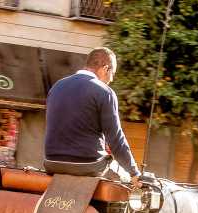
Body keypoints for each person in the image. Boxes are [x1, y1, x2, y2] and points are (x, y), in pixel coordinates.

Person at [44, 47, 141, 185]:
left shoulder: (56, 87)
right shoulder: (104, 92)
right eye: (112, 73)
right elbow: (116, 140)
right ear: (105, 68)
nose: (111, 79)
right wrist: (134, 173)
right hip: (87, 165)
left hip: (51, 163)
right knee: (125, 181)